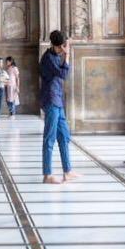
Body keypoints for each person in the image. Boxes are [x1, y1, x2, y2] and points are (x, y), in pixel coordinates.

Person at [40, 30, 76, 184]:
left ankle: (67, 171)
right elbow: (63, 74)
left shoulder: (54, 56)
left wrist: (63, 57)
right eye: (63, 46)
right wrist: (67, 57)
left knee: (64, 136)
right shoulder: (48, 58)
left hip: (58, 100)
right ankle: (47, 175)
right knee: (50, 138)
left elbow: (61, 72)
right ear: (58, 45)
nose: (64, 49)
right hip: (51, 100)